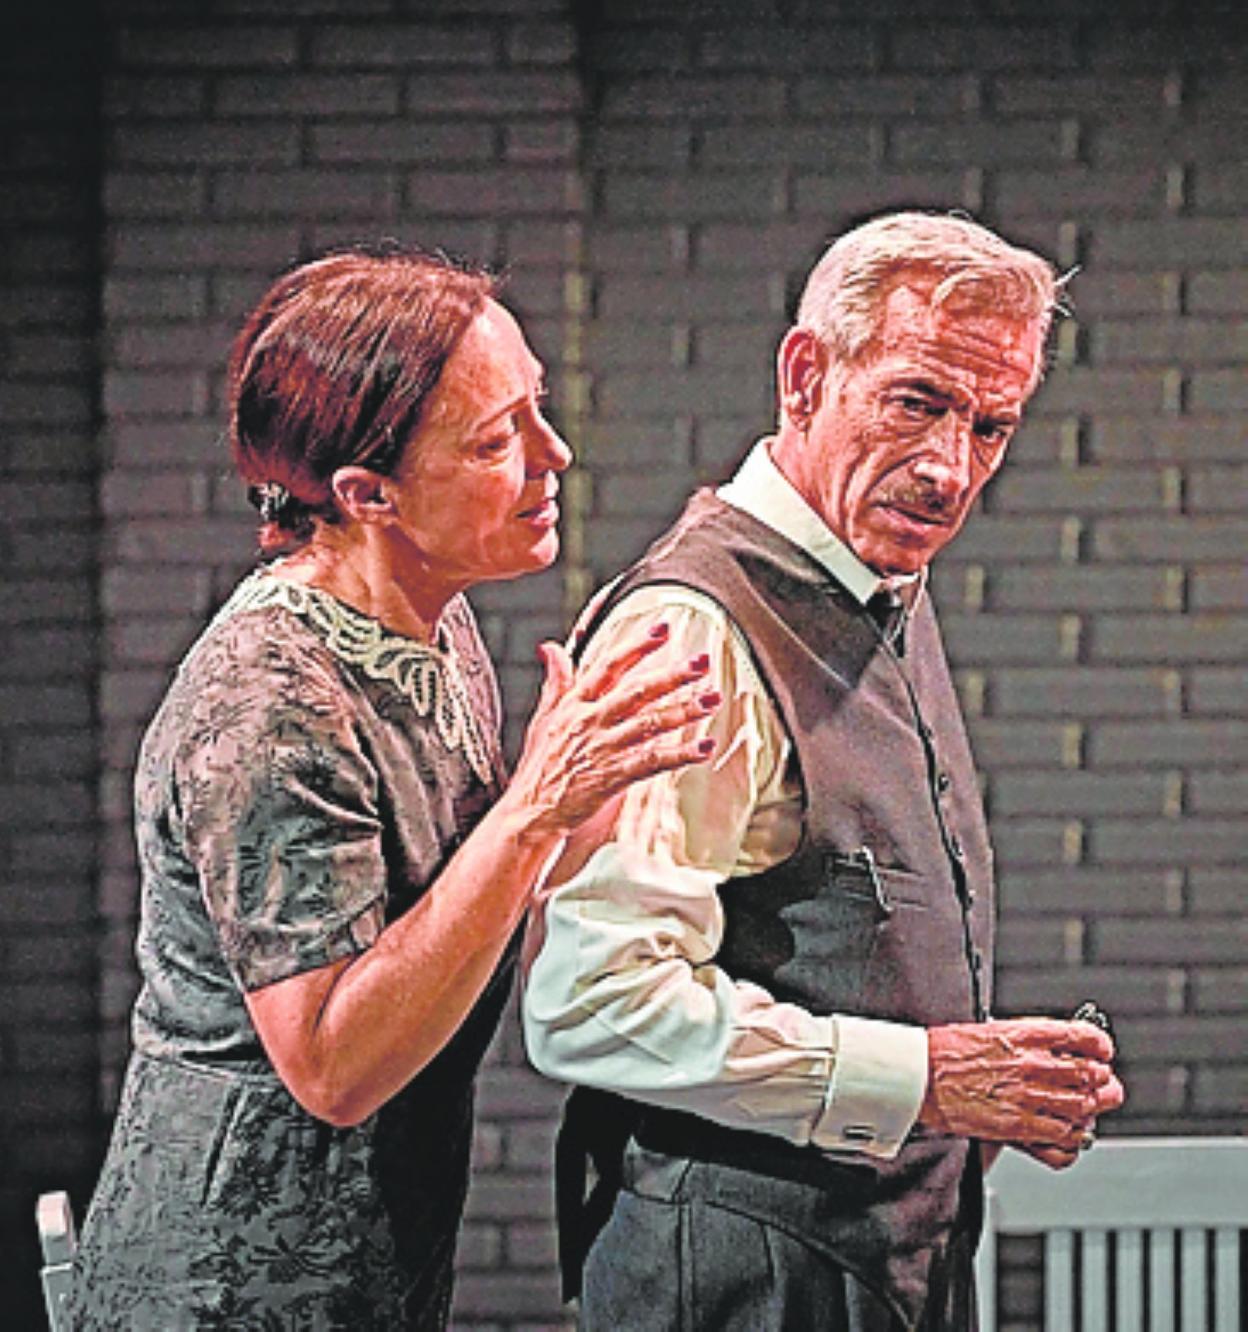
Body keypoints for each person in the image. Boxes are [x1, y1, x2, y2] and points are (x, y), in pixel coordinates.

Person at [68, 245, 721, 1330]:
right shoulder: (269, 701)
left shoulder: (430, 625)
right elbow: (334, 1065)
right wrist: (534, 808)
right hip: (226, 1293)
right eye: (497, 439)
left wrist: (590, 793)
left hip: (370, 1273)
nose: (553, 455)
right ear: (368, 494)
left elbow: (447, 909)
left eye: (537, 408)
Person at [522, 211, 1126, 1331]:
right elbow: (591, 1004)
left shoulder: (877, 581)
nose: (950, 469)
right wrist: (927, 1081)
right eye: (916, 403)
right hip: (738, 1282)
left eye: (990, 425)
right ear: (805, 376)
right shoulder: (691, 627)